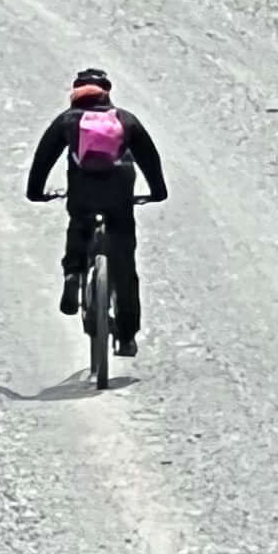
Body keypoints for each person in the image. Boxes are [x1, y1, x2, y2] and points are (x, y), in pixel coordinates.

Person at [26, 67, 168, 356]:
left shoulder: (68, 120)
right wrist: (157, 192)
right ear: (107, 92)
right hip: (119, 196)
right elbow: (149, 157)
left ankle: (72, 274)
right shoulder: (125, 119)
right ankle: (126, 338)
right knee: (124, 264)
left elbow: (43, 158)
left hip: (83, 193)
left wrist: (35, 192)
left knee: (79, 223)